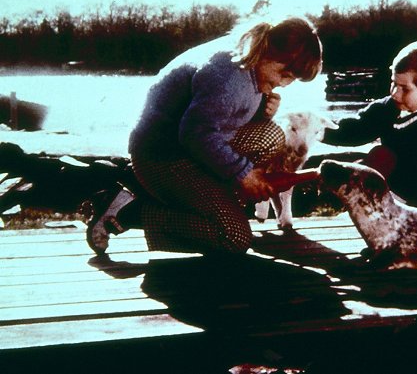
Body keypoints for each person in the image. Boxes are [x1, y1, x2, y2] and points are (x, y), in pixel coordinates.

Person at [85, 17, 323, 255]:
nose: (284, 84)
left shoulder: (249, 59)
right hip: (161, 158)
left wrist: (262, 111)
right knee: (235, 237)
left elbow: (225, 117)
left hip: (187, 150)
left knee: (270, 135)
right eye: (284, 74)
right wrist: (243, 174)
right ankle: (129, 212)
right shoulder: (227, 75)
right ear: (267, 52)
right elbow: (195, 133)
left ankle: (213, 202)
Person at [323, 38, 417, 212]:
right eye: (393, 83)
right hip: (397, 181)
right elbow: (356, 131)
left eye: (405, 88)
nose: (395, 93)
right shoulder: (385, 109)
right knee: (380, 155)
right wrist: (320, 131)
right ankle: (368, 207)